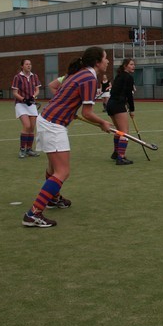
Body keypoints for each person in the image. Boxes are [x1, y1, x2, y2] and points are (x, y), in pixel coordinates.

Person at [22, 46, 112, 228]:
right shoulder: (89, 78)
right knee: (62, 172)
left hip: (48, 119)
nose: (108, 61)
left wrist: (68, 108)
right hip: (53, 124)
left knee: (53, 167)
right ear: (97, 62)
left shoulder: (79, 73)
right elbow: (87, 112)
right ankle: (33, 214)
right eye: (105, 58)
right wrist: (102, 122)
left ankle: (52, 198)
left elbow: (63, 93)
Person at [105, 58, 137, 165]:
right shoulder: (129, 77)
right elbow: (129, 95)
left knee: (118, 130)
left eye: (134, 64)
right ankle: (121, 157)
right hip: (118, 105)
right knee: (124, 132)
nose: (133, 66)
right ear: (125, 66)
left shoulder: (119, 76)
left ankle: (116, 152)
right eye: (131, 64)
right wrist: (132, 109)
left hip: (110, 104)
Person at [12, 58, 41, 158]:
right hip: (21, 104)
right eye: (26, 64)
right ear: (22, 66)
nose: (29, 66)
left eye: (30, 64)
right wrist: (24, 99)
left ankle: (29, 149)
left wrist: (33, 96)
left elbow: (37, 90)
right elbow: (15, 93)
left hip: (31, 104)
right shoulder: (17, 77)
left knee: (32, 128)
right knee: (27, 126)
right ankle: (22, 150)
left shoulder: (34, 76)